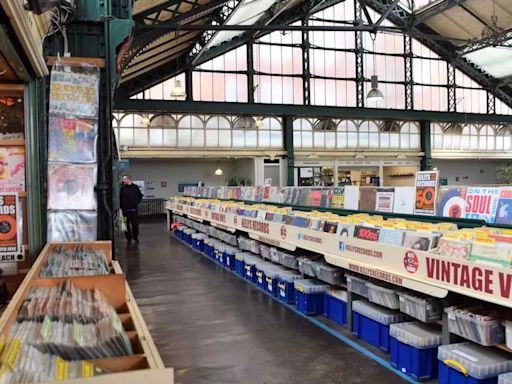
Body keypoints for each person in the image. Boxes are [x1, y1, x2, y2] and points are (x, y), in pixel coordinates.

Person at [120, 175, 143, 242]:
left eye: (124, 179)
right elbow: (120, 198)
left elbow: (140, 196)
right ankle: (128, 238)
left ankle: (135, 236)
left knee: (135, 224)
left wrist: (137, 202)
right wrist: (120, 208)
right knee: (125, 225)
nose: (123, 180)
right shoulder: (122, 188)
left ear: (128, 179)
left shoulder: (135, 187)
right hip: (124, 210)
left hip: (134, 210)